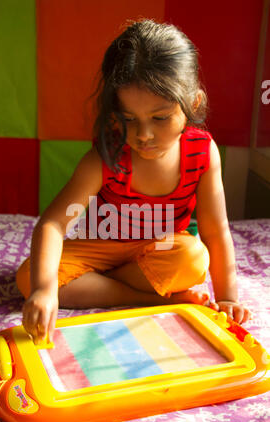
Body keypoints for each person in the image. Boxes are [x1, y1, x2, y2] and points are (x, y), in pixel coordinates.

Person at [16, 19, 252, 344]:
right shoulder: (108, 154)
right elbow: (54, 224)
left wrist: (228, 297)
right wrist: (44, 290)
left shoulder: (203, 153)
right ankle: (153, 300)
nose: (143, 135)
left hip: (161, 251)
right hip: (104, 246)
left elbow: (215, 231)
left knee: (194, 258)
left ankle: (100, 285)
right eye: (129, 119)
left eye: (160, 118)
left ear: (193, 104)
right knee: (28, 277)